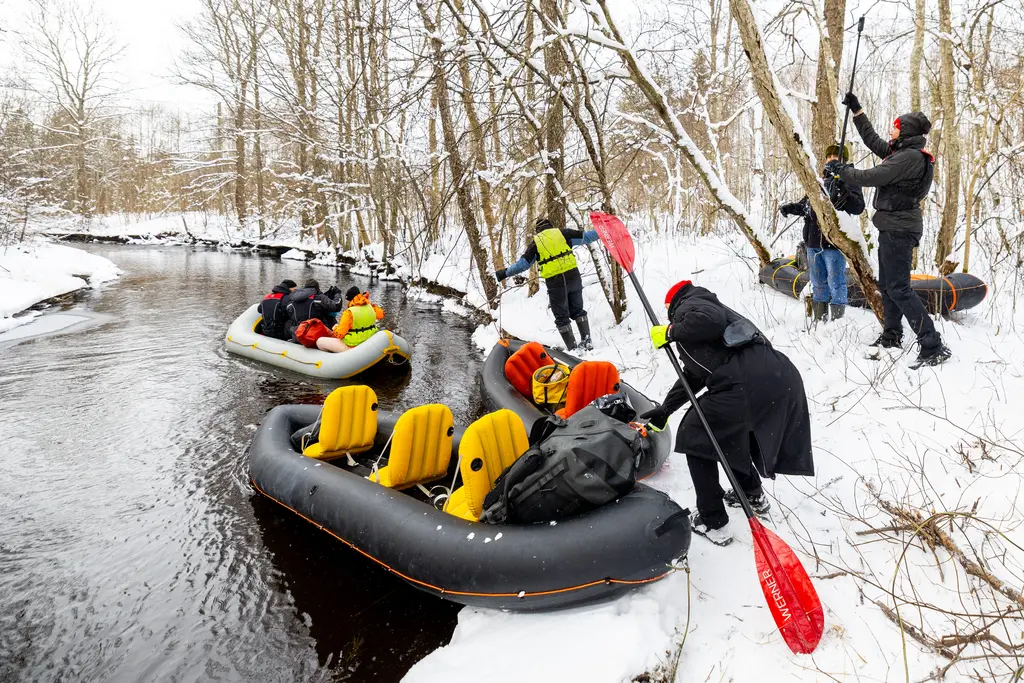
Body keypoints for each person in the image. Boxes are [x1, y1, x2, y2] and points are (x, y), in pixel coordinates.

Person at [639, 281, 814, 546]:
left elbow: (708, 320)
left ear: (674, 301)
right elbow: (694, 375)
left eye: (669, 310)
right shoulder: (709, 314)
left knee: (696, 434)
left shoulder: (692, 301)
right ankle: (752, 493)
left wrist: (672, 331)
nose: (669, 315)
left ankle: (713, 522)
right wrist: (666, 409)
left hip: (746, 382)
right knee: (728, 432)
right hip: (778, 376)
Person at [834, 93, 951, 367]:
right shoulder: (901, 153)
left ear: (906, 131)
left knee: (899, 288)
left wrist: (844, 171)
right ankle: (891, 336)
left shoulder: (908, 158)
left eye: (896, 127)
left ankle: (932, 345)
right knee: (888, 286)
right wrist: (858, 112)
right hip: (892, 228)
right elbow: (873, 140)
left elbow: (873, 177)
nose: (892, 130)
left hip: (900, 229)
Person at [779, 144, 866, 322]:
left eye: (837, 156)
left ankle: (836, 324)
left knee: (836, 283)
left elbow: (858, 207)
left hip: (833, 244)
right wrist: (791, 208)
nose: (832, 158)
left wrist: (844, 191)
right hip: (812, 243)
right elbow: (807, 206)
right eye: (830, 156)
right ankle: (819, 321)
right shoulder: (820, 181)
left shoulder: (851, 179)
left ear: (844, 160)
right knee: (818, 284)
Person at [493, 217, 599, 350]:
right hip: (573, 277)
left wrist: (505, 273)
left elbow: (523, 265)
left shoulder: (536, 243)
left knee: (561, 317)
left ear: (538, 231)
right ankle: (587, 341)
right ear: (551, 226)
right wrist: (604, 231)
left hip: (556, 283)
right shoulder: (563, 233)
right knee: (578, 310)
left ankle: (573, 350)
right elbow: (588, 237)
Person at [316, 286, 385, 353]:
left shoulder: (349, 313)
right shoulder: (371, 307)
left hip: (352, 347)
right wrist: (368, 302)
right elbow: (381, 314)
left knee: (320, 341)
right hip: (368, 343)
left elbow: (339, 335)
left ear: (350, 300)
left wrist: (335, 327)